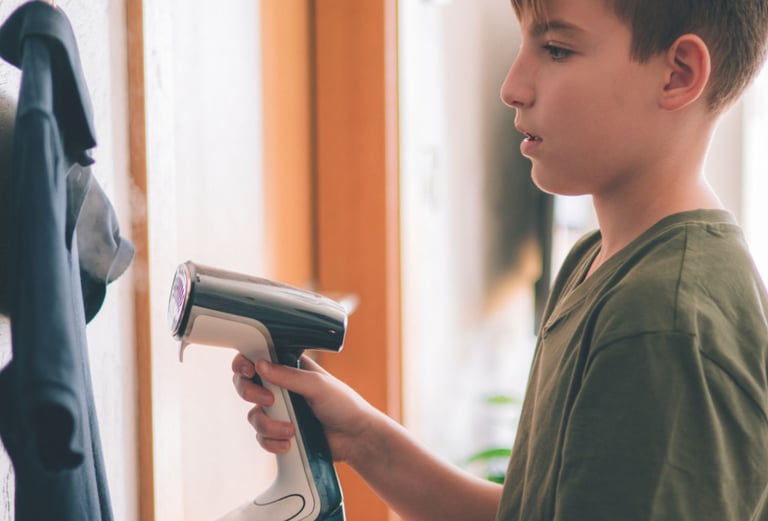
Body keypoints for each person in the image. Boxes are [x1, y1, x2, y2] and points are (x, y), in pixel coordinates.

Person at [232, 0, 768, 519]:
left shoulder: (662, 320)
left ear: (678, 73)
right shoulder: (599, 259)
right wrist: (365, 439)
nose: (513, 87)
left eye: (556, 49)